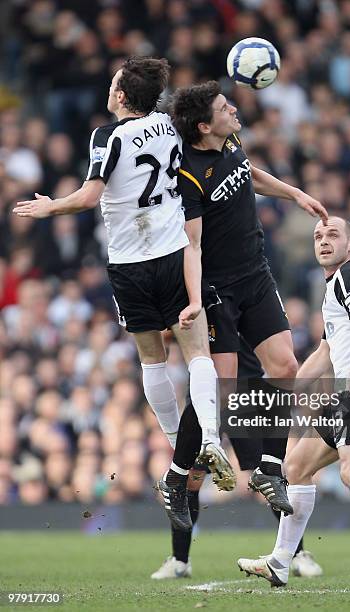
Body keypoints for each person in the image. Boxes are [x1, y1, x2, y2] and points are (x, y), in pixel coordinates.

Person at [13, 57, 235, 531]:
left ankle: (183, 444)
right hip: (174, 253)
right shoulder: (167, 126)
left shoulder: (106, 137)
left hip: (130, 265)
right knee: (198, 352)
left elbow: (90, 197)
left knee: (152, 360)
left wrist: (52, 207)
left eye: (114, 83)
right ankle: (211, 437)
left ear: (118, 97)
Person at [170, 81, 328, 515]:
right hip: (220, 287)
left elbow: (249, 174)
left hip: (256, 272)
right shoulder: (188, 173)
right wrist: (195, 298)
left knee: (286, 366)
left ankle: (270, 468)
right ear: (204, 126)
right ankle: (177, 476)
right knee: (220, 390)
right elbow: (193, 245)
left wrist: (293, 193)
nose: (233, 109)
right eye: (224, 108)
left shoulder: (231, 140)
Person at [238, 216, 350, 586]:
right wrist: (283, 390)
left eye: (333, 235)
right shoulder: (334, 288)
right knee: (296, 466)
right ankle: (280, 561)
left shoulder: (349, 276)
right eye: (317, 236)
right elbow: (327, 350)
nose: (324, 241)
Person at [152, 336, 323, 580]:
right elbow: (171, 334)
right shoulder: (199, 301)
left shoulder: (247, 299)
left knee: (267, 475)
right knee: (190, 476)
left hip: (245, 390)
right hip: (205, 393)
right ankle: (180, 560)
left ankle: (296, 553)